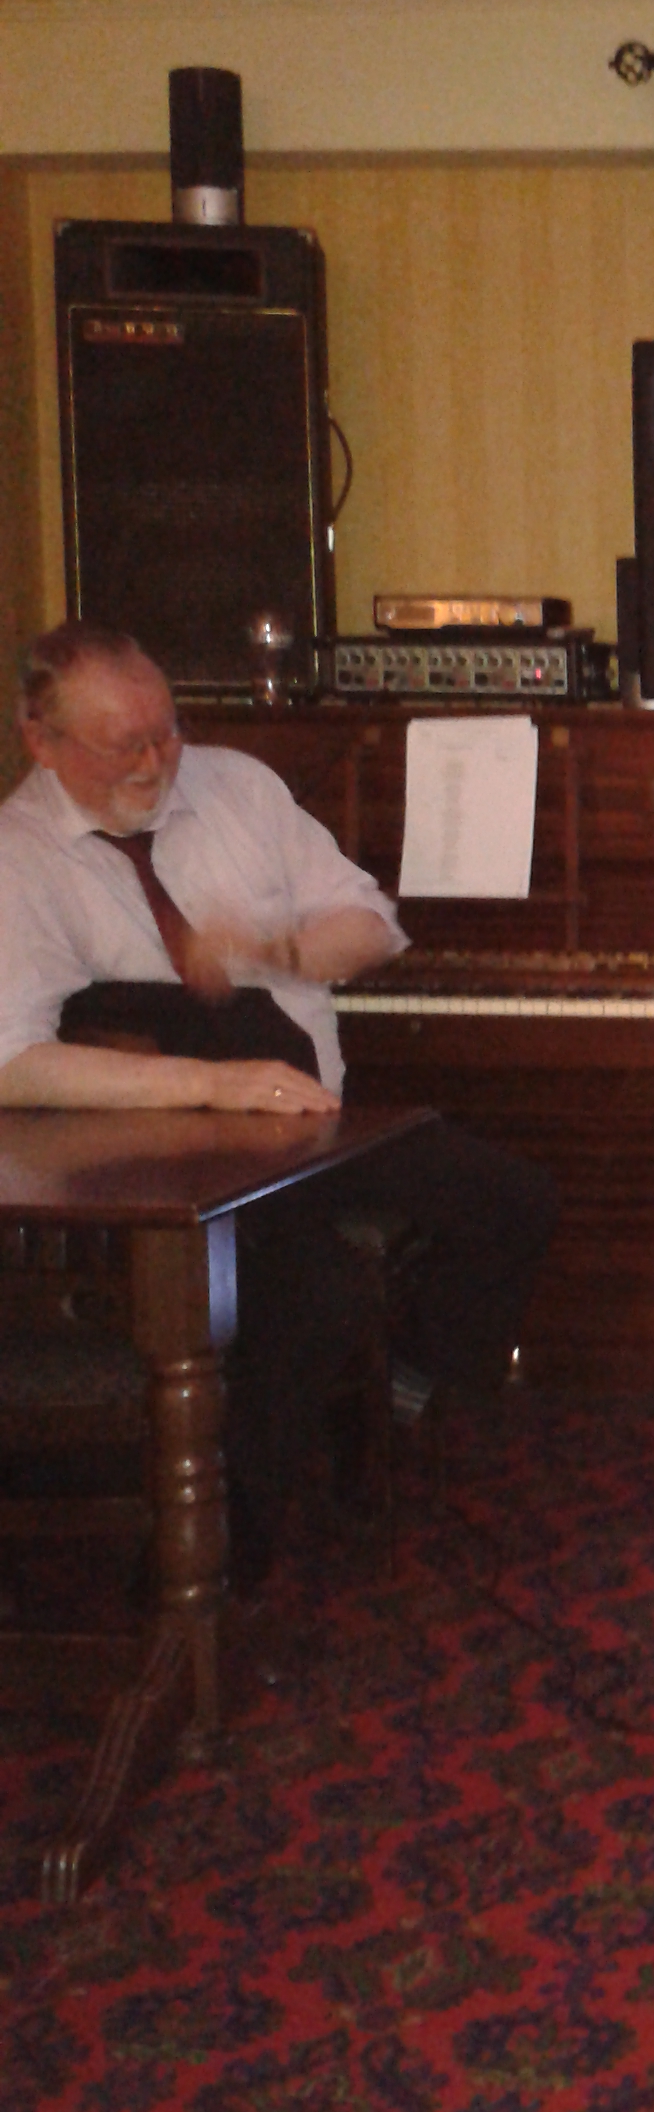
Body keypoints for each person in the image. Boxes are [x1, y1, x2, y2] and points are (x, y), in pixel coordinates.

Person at [0, 620, 556, 1582]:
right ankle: (226, 1548)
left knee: (512, 1199)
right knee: (313, 1294)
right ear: (39, 740)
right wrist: (214, 1086)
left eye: (168, 731)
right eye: (124, 745)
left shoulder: (239, 787)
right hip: (176, 1170)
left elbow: (372, 923)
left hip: (315, 1125)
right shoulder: (17, 860)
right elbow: (11, 1061)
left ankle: (400, 1397)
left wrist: (271, 949)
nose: (157, 762)